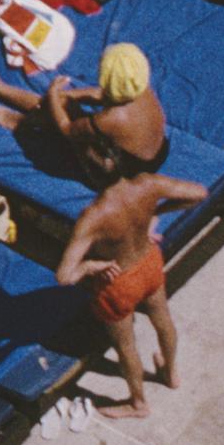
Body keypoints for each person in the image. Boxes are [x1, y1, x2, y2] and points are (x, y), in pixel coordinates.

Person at [58, 164, 207, 408]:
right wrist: (154, 214)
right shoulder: (147, 184)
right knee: (163, 318)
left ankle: (137, 403)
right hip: (149, 263)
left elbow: (64, 276)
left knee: (126, 346)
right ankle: (171, 374)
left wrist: (90, 266)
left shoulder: (94, 216)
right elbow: (199, 193)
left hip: (119, 283)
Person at [0, 34, 169, 189]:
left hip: (117, 174)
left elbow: (67, 128)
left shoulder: (111, 119)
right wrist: (66, 96)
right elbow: (100, 94)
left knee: (70, 122)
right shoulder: (142, 90)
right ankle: (28, 110)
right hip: (153, 156)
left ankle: (10, 105)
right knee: (63, 104)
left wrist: (52, 95)